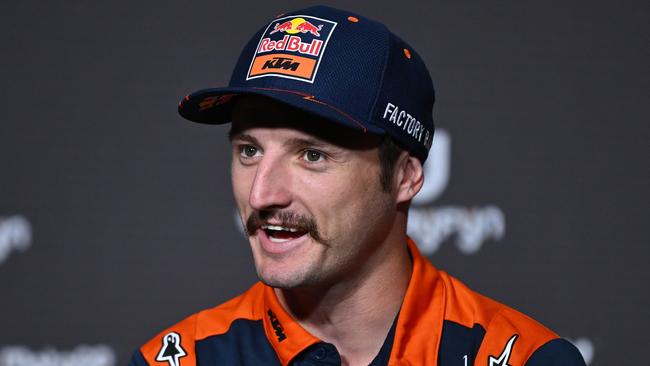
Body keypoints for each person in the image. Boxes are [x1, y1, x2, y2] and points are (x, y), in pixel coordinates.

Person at [129, 5, 585, 366]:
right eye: (249, 151)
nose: (261, 195)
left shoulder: (523, 358)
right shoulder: (181, 358)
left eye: (312, 155)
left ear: (406, 177)